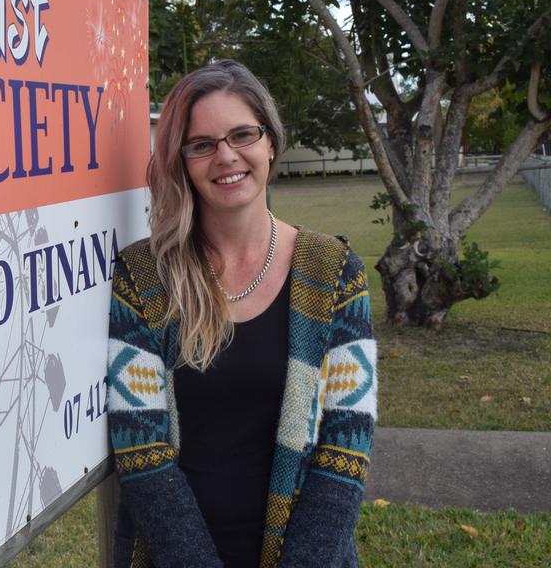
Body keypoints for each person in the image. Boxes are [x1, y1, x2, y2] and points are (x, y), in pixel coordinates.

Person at [107, 60, 375, 567]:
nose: (225, 156)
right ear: (181, 160)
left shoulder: (335, 272)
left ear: (270, 142)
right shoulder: (145, 278)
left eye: (242, 135)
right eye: (202, 144)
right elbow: (141, 453)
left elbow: (345, 451)